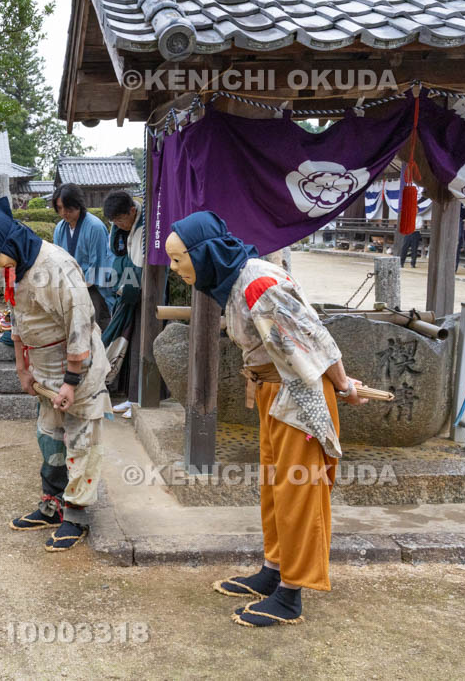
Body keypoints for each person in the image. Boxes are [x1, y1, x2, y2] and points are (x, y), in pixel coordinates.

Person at [164, 212, 368, 628]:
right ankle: (274, 570)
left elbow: (315, 340)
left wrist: (344, 384)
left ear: (204, 254)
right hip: (272, 392)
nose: (173, 267)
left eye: (177, 258)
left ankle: (291, 593)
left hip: (298, 392)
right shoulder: (236, 281)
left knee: (297, 490)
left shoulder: (258, 283)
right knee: (274, 487)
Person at [0, 197, 110, 552]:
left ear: (4, 244)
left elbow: (80, 325)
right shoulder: (15, 265)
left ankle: (76, 515)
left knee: (81, 441)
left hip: (77, 368)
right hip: (43, 368)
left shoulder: (56, 266)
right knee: (49, 438)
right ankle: (53, 504)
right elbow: (16, 319)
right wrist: (22, 369)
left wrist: (71, 380)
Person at [100, 190, 145, 416]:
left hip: (144, 295)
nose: (118, 225)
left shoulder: (144, 226)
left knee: (141, 347)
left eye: (120, 219)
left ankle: (140, 400)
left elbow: (139, 265)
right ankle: (131, 398)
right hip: (127, 292)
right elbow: (117, 254)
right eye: (114, 221)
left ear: (132, 211)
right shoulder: (123, 228)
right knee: (129, 347)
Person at [51, 183, 115, 330]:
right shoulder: (60, 228)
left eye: (68, 208)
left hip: (94, 287)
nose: (64, 212)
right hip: (69, 285)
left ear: (78, 204)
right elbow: (57, 260)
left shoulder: (95, 227)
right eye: (59, 208)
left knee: (93, 327)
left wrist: (79, 288)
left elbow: (98, 265)